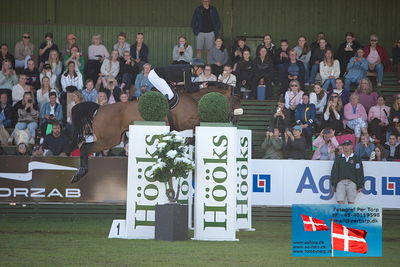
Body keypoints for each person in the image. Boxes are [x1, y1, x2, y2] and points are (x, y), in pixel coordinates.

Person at [331, 140, 364, 204]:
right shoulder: (338, 158)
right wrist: (334, 184)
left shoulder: (356, 158)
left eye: (348, 145)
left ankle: (348, 214)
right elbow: (334, 171)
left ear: (351, 146)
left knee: (351, 203)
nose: (346, 146)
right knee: (340, 202)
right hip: (340, 182)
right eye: (344, 145)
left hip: (352, 182)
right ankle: (343, 214)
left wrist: (360, 185)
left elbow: (359, 172)